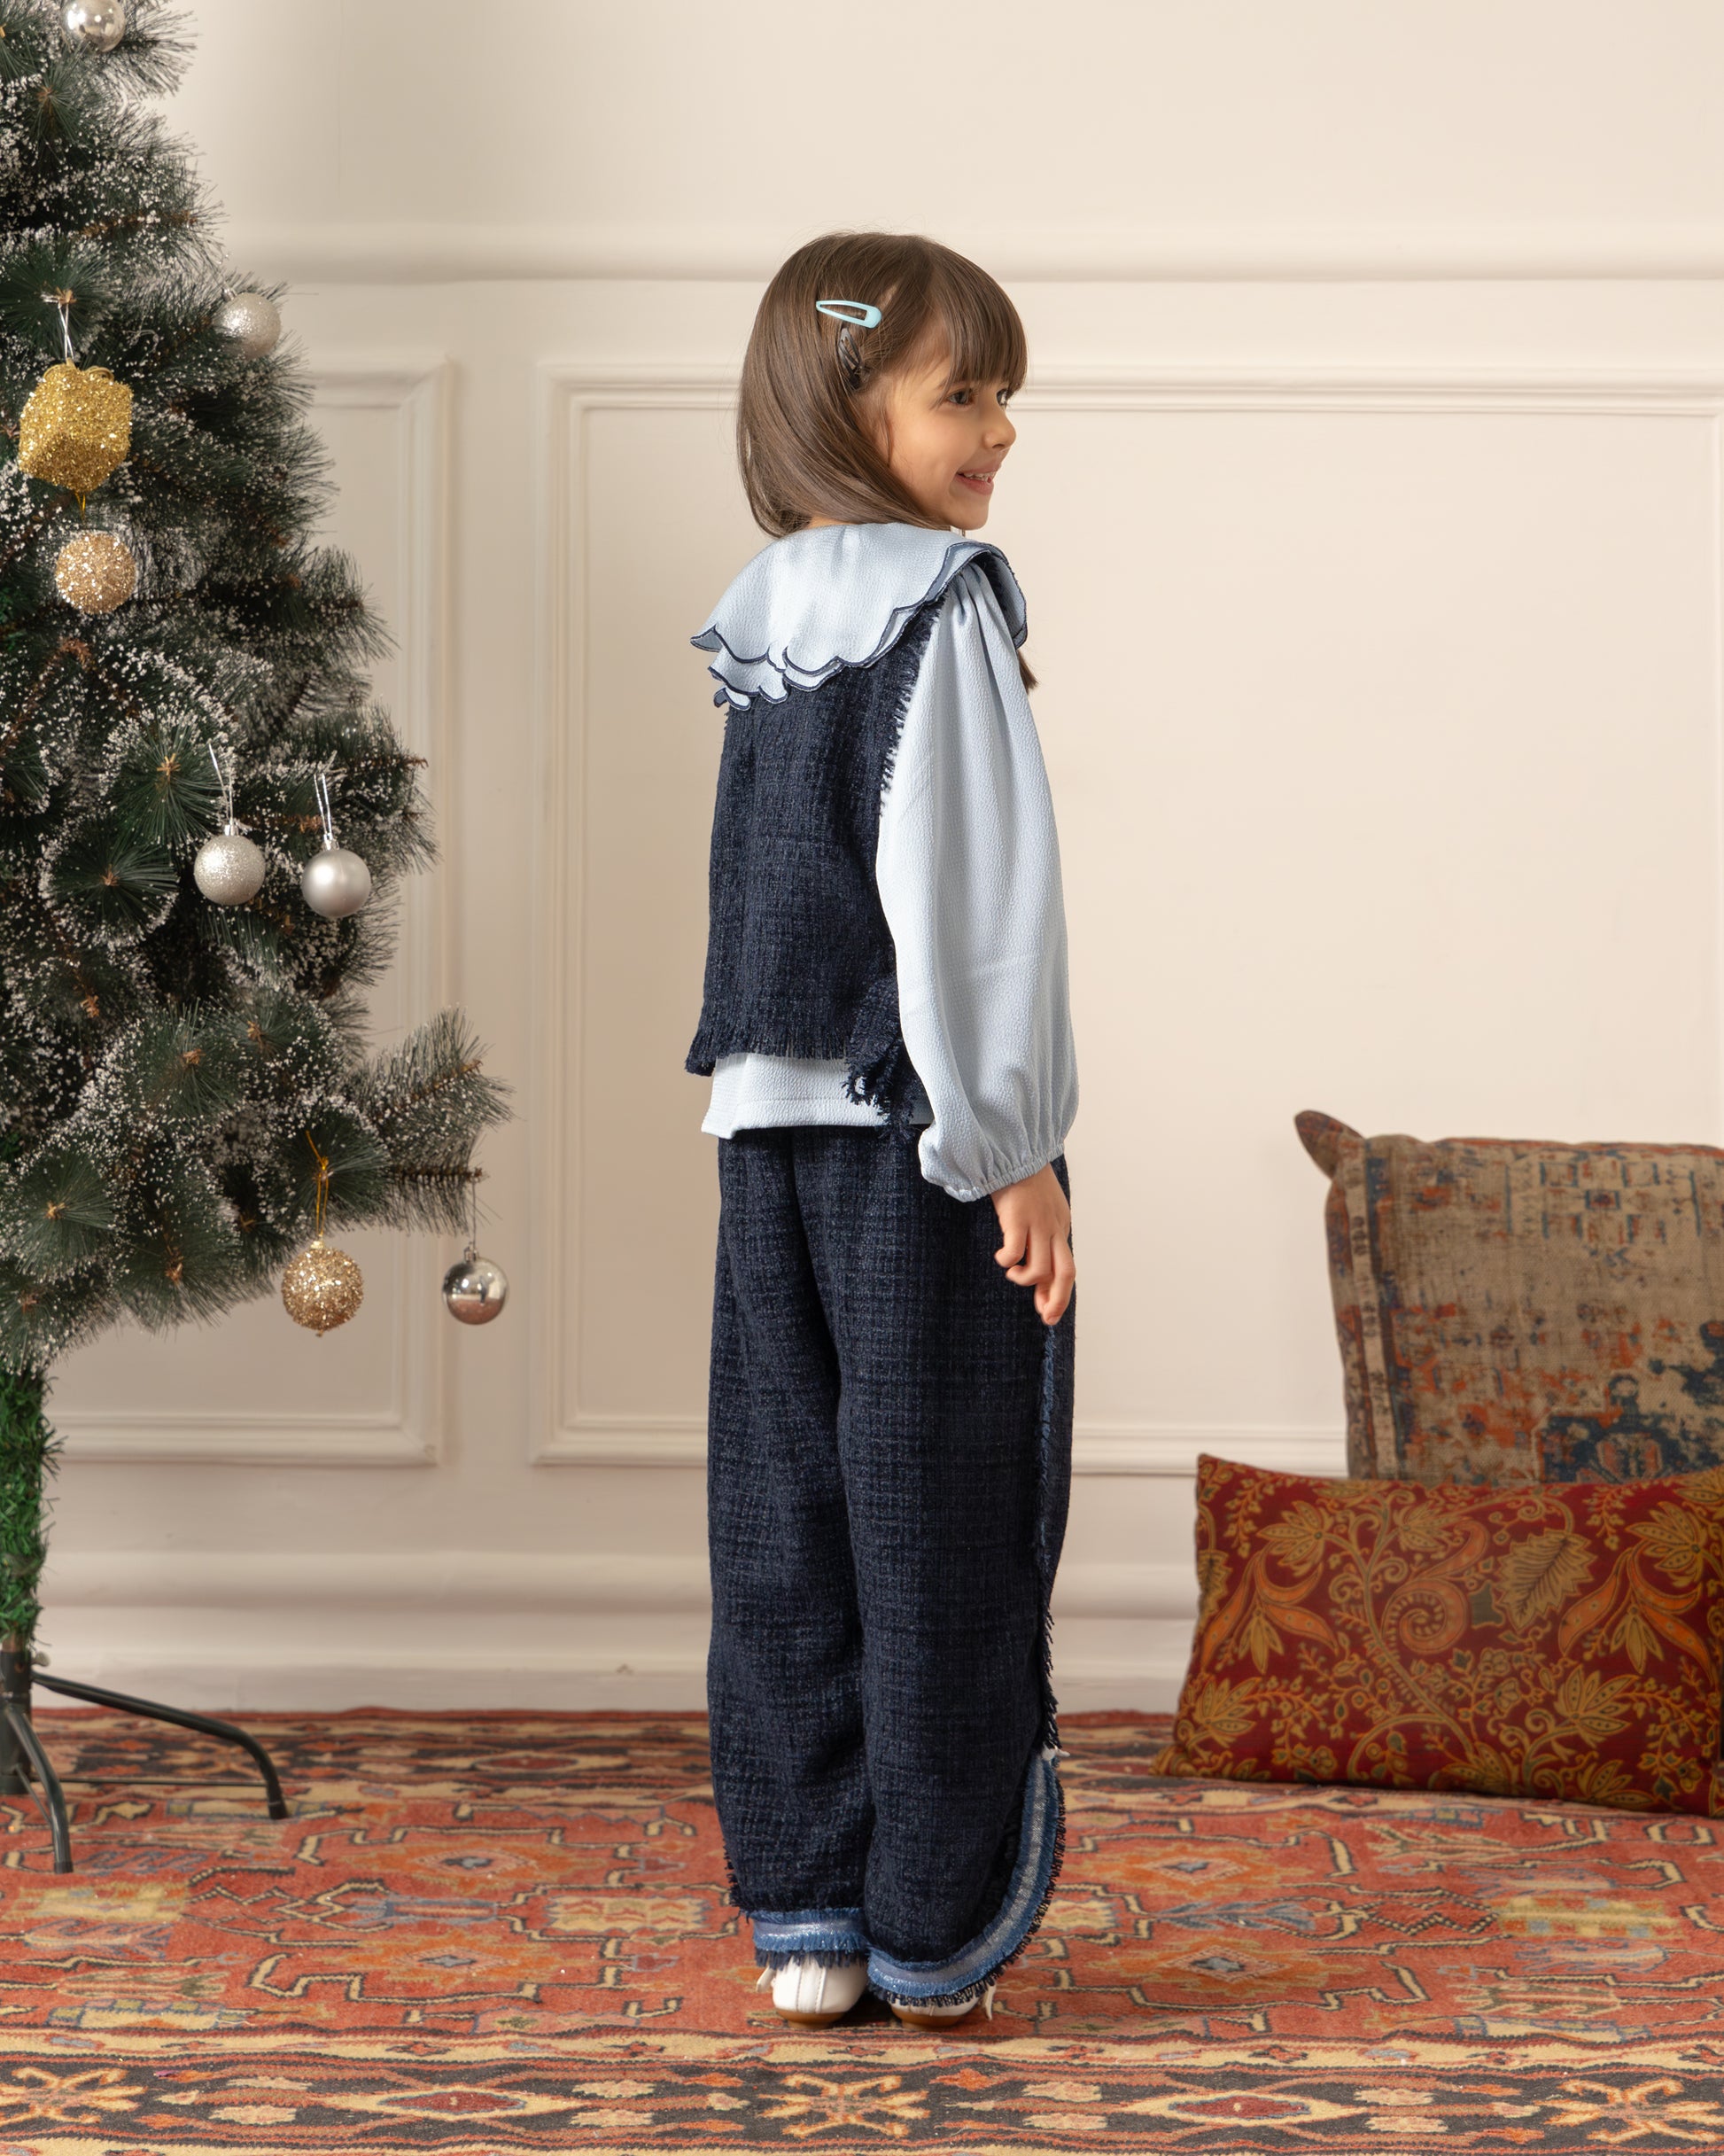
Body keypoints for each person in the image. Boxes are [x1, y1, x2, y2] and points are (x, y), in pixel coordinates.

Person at [686, 230, 1078, 2030]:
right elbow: (966, 901)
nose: (1000, 427)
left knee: (785, 1518)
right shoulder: (944, 606)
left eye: (1003, 392)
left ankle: (807, 1912)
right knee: (939, 1507)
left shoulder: (768, 612)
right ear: (851, 408)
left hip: (762, 1126)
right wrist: (1014, 1143)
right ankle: (925, 1915)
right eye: (963, 392)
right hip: (918, 1142)